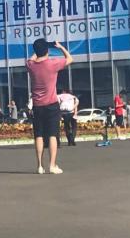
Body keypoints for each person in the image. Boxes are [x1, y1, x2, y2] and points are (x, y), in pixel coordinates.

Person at [26, 39, 73, 175]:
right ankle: (52, 165)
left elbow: (32, 58)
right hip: (51, 104)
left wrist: (38, 51)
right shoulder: (53, 63)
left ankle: (40, 166)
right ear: (47, 50)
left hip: (37, 106)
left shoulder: (30, 65)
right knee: (53, 135)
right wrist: (60, 47)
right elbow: (70, 58)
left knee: (39, 135)